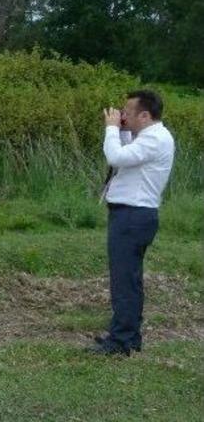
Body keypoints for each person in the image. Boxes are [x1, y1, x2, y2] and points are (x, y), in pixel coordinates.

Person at [90, 90, 175, 356]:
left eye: (128, 111)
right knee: (129, 279)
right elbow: (127, 155)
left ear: (145, 115)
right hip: (133, 215)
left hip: (132, 216)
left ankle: (121, 341)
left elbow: (116, 158)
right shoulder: (150, 137)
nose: (122, 114)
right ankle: (128, 336)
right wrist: (123, 130)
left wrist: (111, 129)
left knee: (124, 280)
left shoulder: (155, 139)